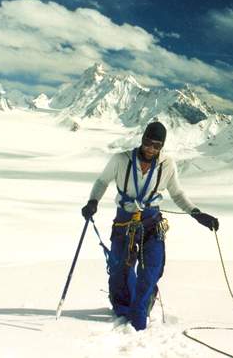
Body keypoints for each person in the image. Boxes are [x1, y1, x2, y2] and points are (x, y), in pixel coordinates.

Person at [81, 121, 219, 331]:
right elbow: (102, 181)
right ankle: (122, 305)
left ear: (161, 146)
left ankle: (139, 319)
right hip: (125, 220)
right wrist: (93, 201)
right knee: (119, 268)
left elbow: (177, 193)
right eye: (148, 142)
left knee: (151, 269)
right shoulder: (121, 160)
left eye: (156, 145)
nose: (150, 148)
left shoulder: (167, 165)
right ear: (142, 139)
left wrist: (196, 213)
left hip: (152, 222)